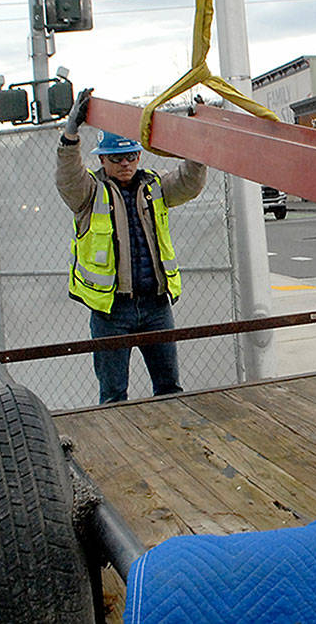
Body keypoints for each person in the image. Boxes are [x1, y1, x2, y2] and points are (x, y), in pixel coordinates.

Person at [56, 89, 209, 404]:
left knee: (169, 390)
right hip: (111, 312)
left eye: (131, 156)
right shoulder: (89, 193)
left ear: (140, 155)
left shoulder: (155, 186)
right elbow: (68, 179)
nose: (125, 164)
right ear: (102, 158)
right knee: (113, 396)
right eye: (116, 157)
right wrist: (70, 135)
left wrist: (197, 137)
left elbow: (190, 182)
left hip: (156, 306)